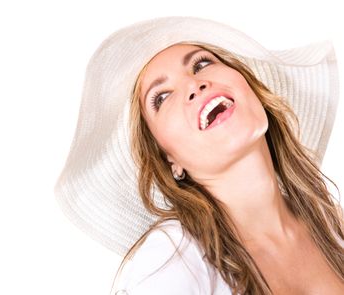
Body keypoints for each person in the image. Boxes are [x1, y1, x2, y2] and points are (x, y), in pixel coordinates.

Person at [53, 16, 344, 294]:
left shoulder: (333, 226)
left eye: (201, 63)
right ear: (170, 160)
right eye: (161, 97)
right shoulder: (175, 257)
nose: (194, 85)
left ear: (253, 88)